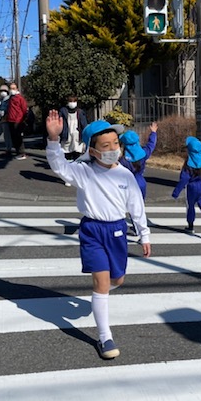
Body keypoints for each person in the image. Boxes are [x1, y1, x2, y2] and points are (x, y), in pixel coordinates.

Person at [45, 110, 151, 360]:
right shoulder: (84, 171)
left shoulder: (125, 174)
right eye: (106, 145)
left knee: (118, 280)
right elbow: (59, 166)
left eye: (115, 143)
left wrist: (144, 234)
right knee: (101, 284)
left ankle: (101, 293)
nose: (113, 149)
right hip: (92, 231)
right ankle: (105, 337)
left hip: (117, 231)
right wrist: (53, 139)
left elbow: (136, 205)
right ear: (92, 151)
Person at [118, 121, 158, 200]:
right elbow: (151, 145)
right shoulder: (143, 154)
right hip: (140, 183)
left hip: (126, 185)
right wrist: (153, 133)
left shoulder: (122, 161)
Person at [59, 95, 89, 160]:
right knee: (66, 152)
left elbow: (84, 124)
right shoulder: (63, 111)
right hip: (66, 134)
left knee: (77, 152)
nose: (72, 103)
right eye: (70, 101)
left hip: (77, 135)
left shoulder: (80, 112)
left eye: (74, 101)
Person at [6, 82, 28, 160]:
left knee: (18, 137)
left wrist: (23, 119)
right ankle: (18, 152)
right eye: (11, 88)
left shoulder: (20, 98)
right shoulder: (10, 98)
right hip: (10, 120)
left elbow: (24, 109)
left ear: (17, 89)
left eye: (13, 88)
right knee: (14, 138)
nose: (12, 90)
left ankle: (22, 153)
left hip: (18, 120)